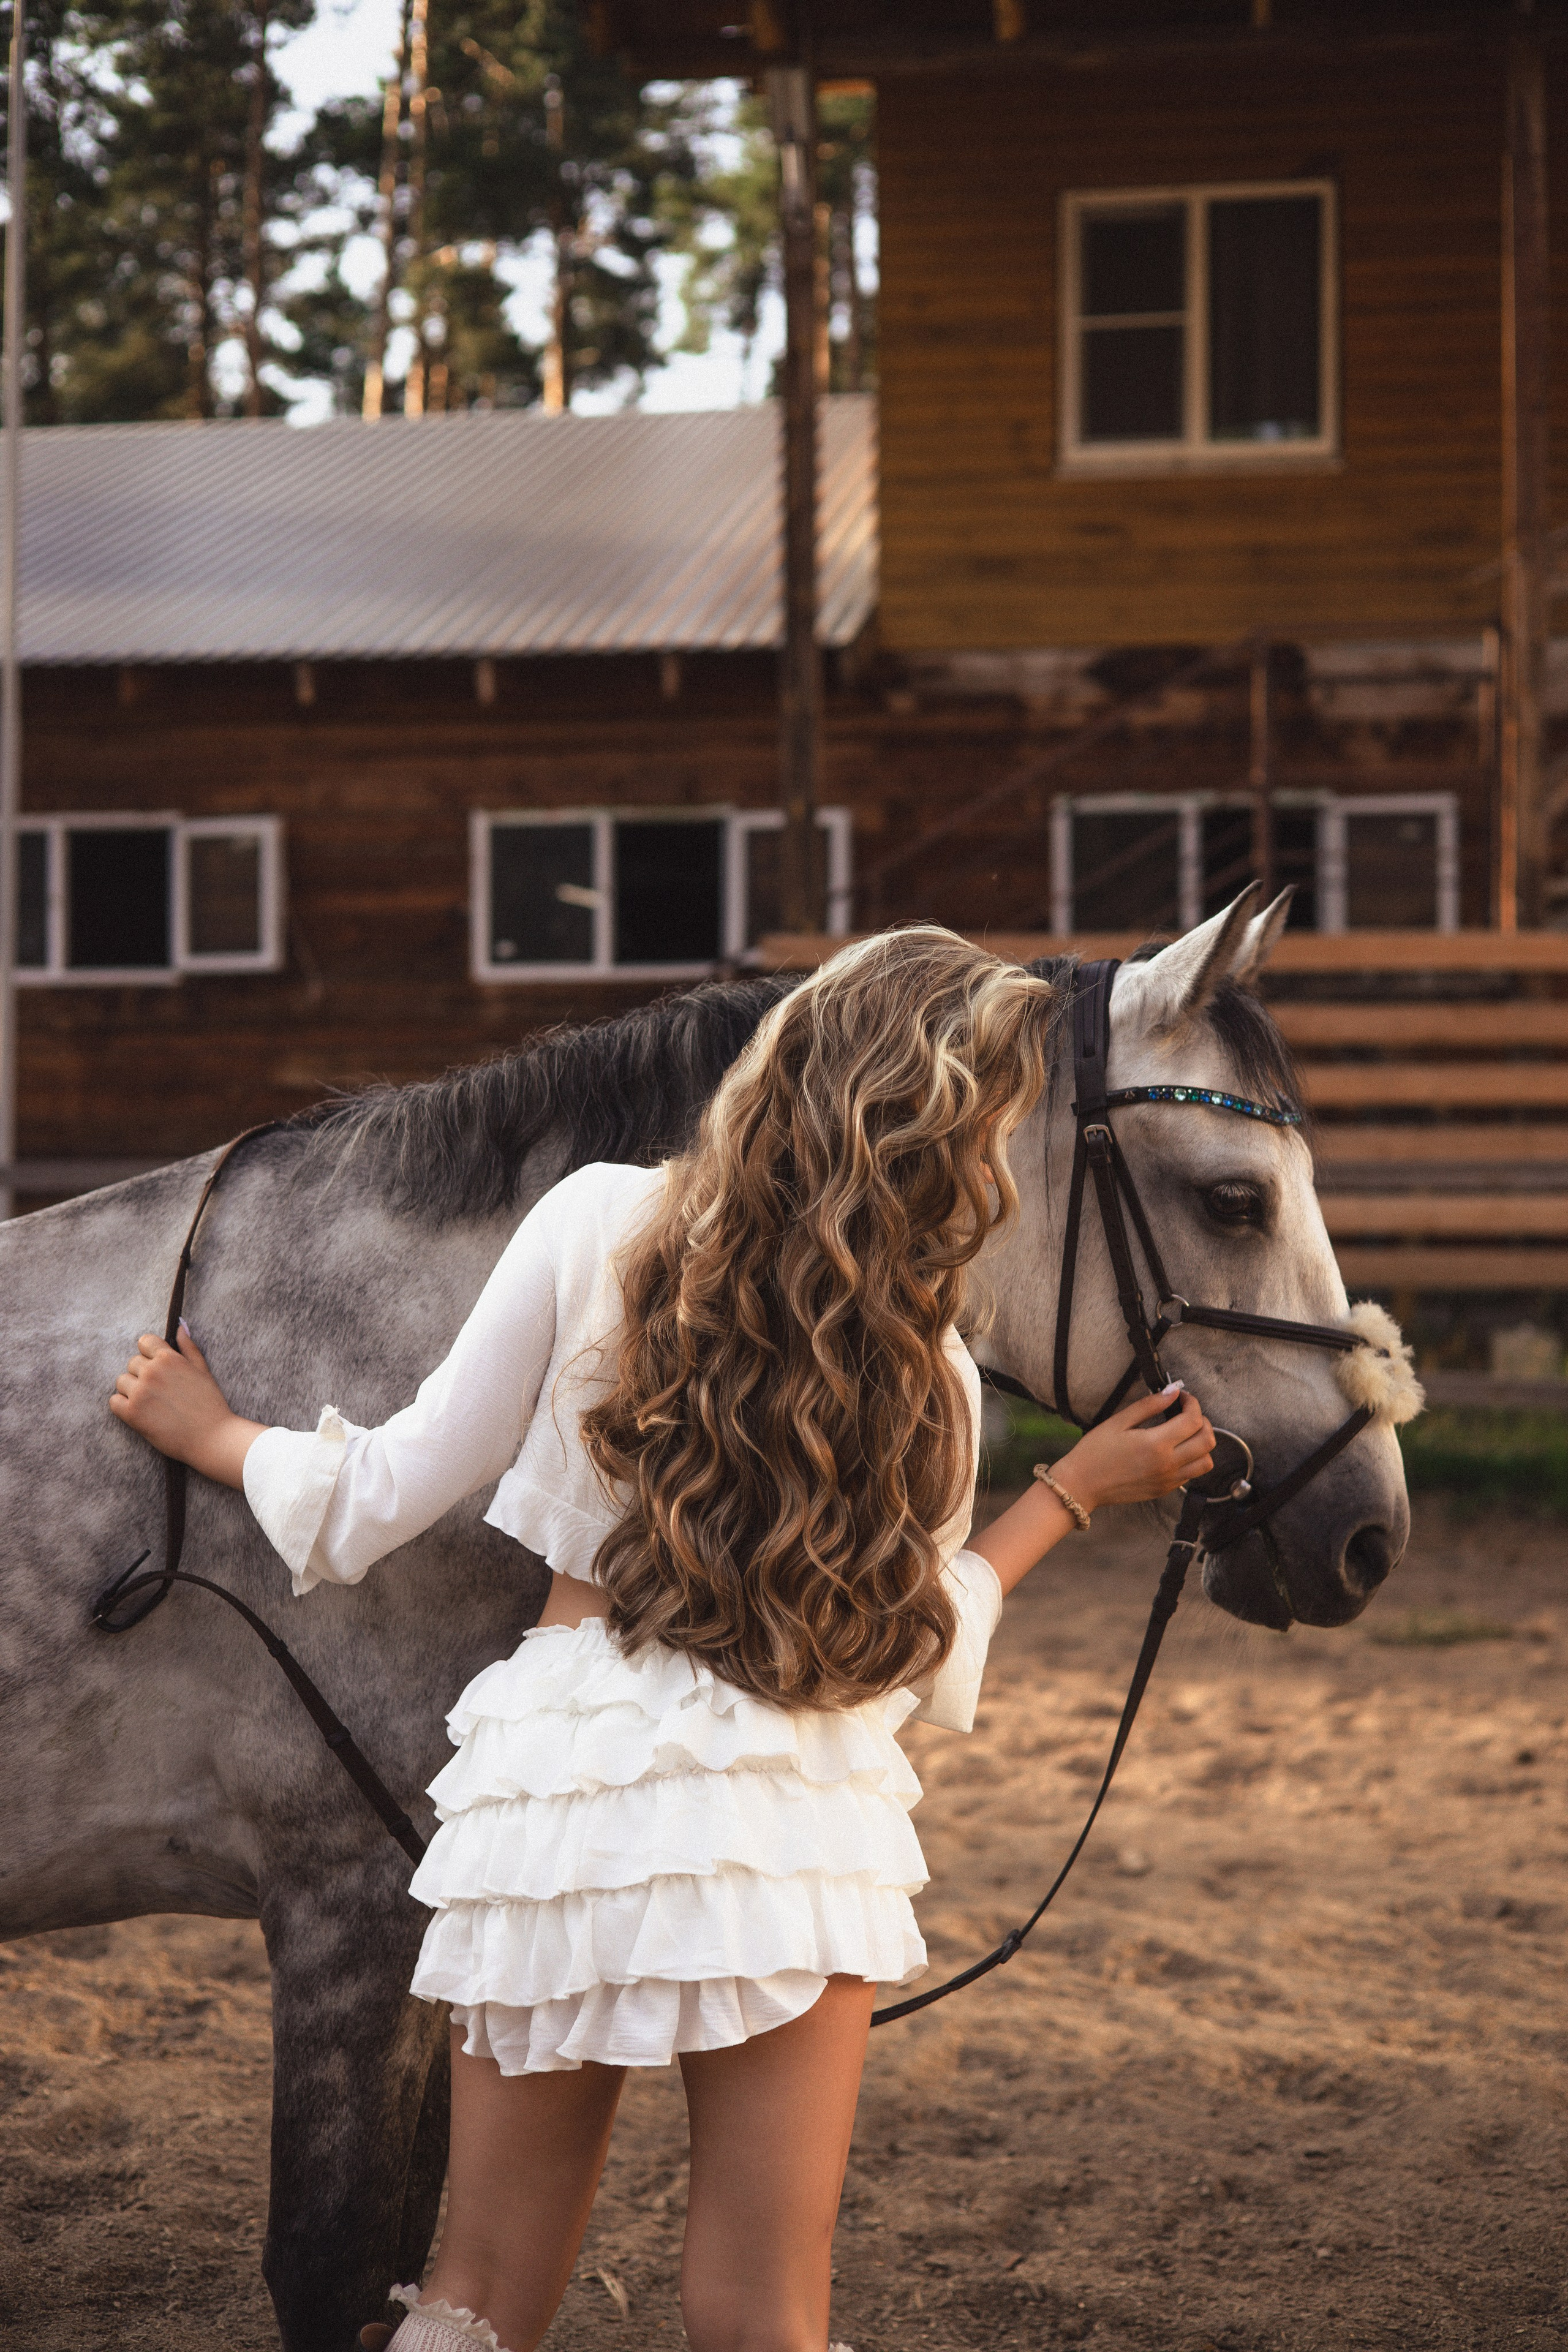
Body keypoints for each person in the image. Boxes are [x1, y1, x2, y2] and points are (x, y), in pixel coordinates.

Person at [111, 927, 1214, 2352]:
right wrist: (1069, 1496)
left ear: (788, 1060)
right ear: (952, 1141)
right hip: (782, 1821)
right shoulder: (931, 1363)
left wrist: (217, 1436)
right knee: (761, 2313)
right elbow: (904, 1649)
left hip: (562, 1788)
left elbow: (376, 1497)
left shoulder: (588, 1223)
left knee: (478, 2296)